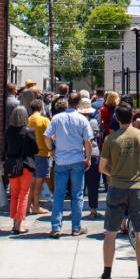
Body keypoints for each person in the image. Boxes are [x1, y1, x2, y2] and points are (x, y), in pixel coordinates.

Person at [97, 101, 140, 279]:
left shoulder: (110, 139)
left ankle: (107, 275)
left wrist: (114, 173)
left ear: (116, 118)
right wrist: (139, 174)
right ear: (131, 117)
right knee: (139, 230)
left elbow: (102, 167)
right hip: (137, 187)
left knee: (111, 232)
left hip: (116, 187)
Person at [44, 94, 94, 238]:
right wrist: (88, 158)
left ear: (67, 102)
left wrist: (51, 150)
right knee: (77, 195)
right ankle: (76, 227)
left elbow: (46, 136)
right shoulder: (82, 119)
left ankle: (56, 227)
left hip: (60, 160)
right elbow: (88, 142)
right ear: (78, 104)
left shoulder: (57, 118)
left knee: (59, 195)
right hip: (77, 159)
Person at [4, 105, 39, 235]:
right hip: (26, 165)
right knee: (24, 194)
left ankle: (14, 222)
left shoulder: (8, 131)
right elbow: (35, 150)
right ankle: (19, 224)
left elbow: (6, 149)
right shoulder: (29, 132)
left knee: (14, 194)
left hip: (13, 166)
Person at [79, 96, 104, 218]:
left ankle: (77, 209)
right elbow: (96, 138)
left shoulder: (76, 120)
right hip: (93, 154)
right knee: (93, 184)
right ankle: (93, 209)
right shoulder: (93, 122)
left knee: (79, 185)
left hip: (78, 153)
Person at [26, 99, 51, 215]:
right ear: (41, 108)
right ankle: (36, 206)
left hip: (30, 155)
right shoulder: (45, 120)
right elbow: (51, 137)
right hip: (43, 154)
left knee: (31, 182)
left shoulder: (27, 120)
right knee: (39, 183)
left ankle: (27, 206)